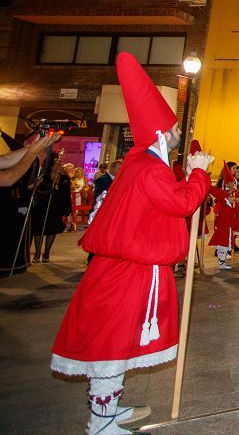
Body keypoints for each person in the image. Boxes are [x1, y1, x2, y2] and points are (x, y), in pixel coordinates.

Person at [50, 53, 212, 435]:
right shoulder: (149, 168)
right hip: (127, 271)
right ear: (159, 134)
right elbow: (182, 203)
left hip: (130, 267)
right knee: (112, 343)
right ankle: (101, 421)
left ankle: (110, 407)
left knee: (119, 341)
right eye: (172, 130)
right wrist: (200, 175)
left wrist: (189, 175)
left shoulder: (143, 165)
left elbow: (165, 204)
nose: (176, 134)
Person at [31, 152, 72, 263]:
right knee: (39, 230)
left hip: (55, 207)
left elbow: (67, 193)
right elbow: (38, 189)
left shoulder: (65, 178)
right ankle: (37, 252)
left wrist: (67, 209)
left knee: (51, 229)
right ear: (51, 166)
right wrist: (49, 187)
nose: (59, 166)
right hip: (41, 206)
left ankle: (47, 252)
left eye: (60, 164)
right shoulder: (43, 175)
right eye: (57, 164)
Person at [208, 163, 239, 270]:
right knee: (223, 235)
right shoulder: (222, 183)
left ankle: (222, 259)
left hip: (230, 213)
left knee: (228, 235)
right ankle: (221, 261)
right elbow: (219, 196)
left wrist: (236, 197)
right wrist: (228, 196)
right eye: (234, 168)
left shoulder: (235, 182)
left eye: (236, 168)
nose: (236, 170)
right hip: (224, 213)